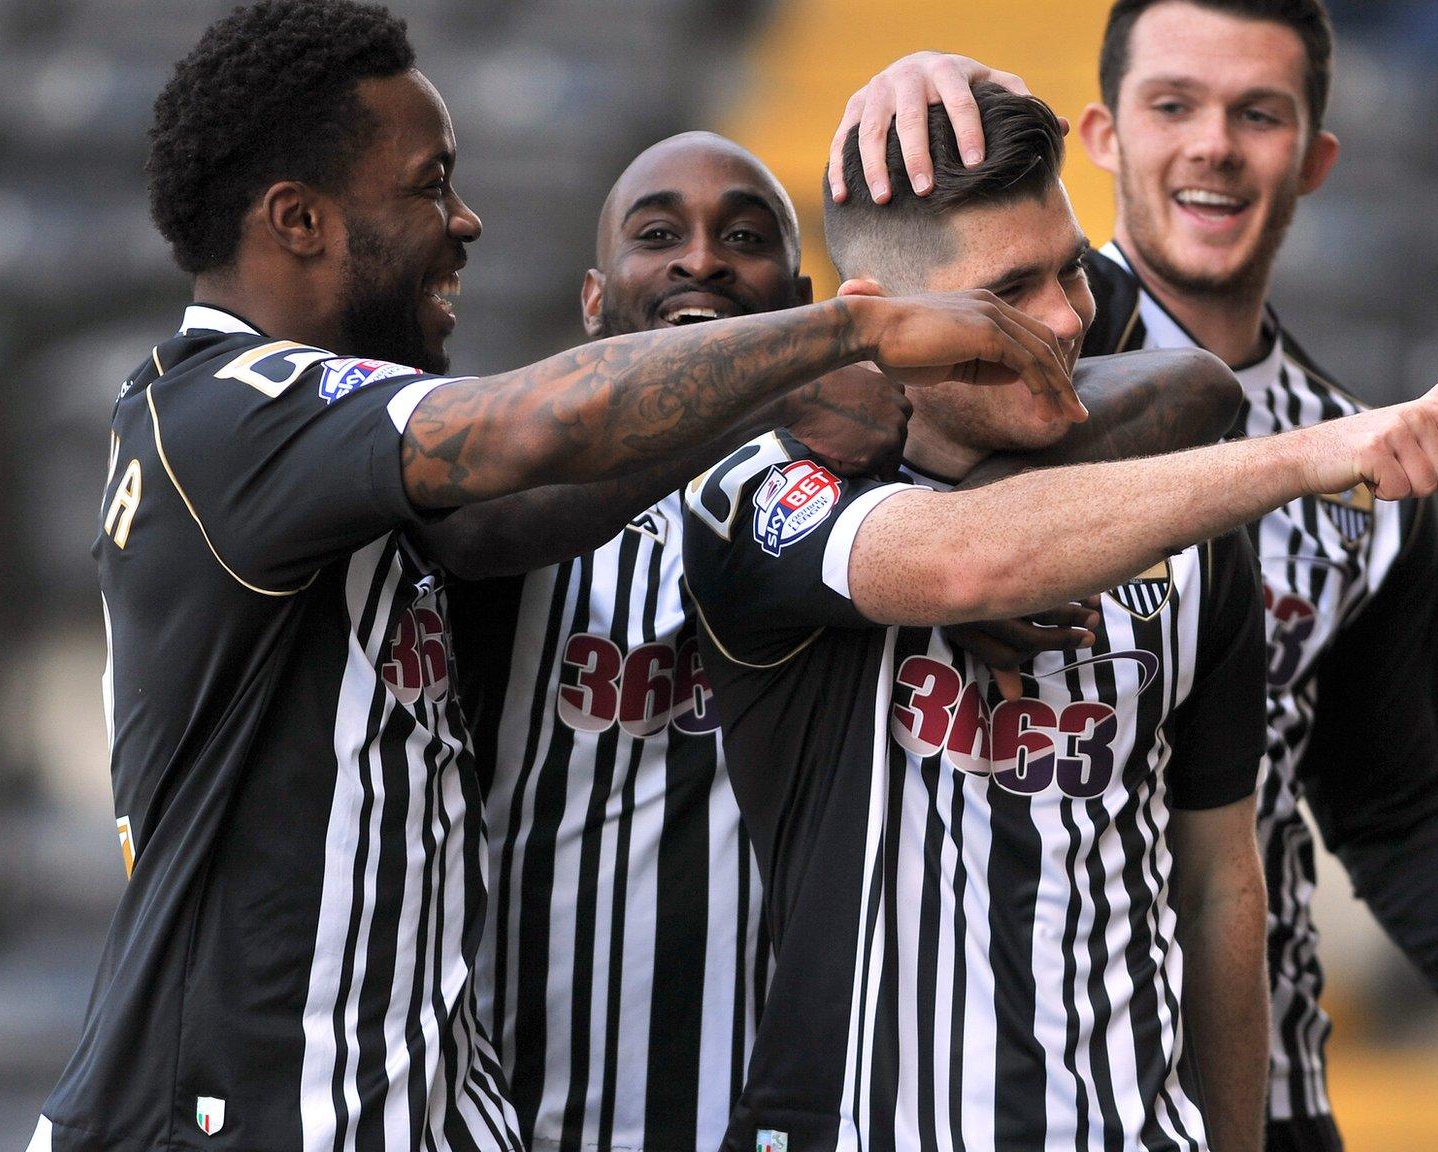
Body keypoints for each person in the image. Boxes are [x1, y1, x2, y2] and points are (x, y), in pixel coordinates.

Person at [27, 2, 1091, 1148]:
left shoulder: (351, 472)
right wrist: (844, 338)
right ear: (299, 220)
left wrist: (946, 519)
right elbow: (519, 436)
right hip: (228, 1121)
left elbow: (508, 511)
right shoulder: (226, 410)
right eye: (430, 184)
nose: (464, 220)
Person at [828, 4, 1438, 1151]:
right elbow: (795, 396)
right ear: (1102, 134)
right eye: (1173, 105)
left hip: (1252, 1090)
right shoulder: (965, 358)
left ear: (1312, 159)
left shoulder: (1365, 459)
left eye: (1256, 113)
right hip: (949, 1086)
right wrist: (911, 76)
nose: (1212, 143)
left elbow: (1396, 806)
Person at [686, 83, 1438, 1152]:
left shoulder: (1186, 527)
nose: (1066, 315)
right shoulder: (760, 499)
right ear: (891, 316)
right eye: (1011, 289)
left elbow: (1216, 890)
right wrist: (1305, 458)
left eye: (1069, 268)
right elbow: (964, 561)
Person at [429, 131, 1245, 1152]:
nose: (701, 259)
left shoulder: (871, 499)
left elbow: (1193, 385)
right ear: (593, 302)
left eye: (743, 235)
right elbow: (466, 527)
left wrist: (970, 525)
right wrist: (769, 398)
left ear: (814, 297)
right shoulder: (533, 511)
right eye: (656, 235)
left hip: (791, 1108)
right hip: (532, 1109)